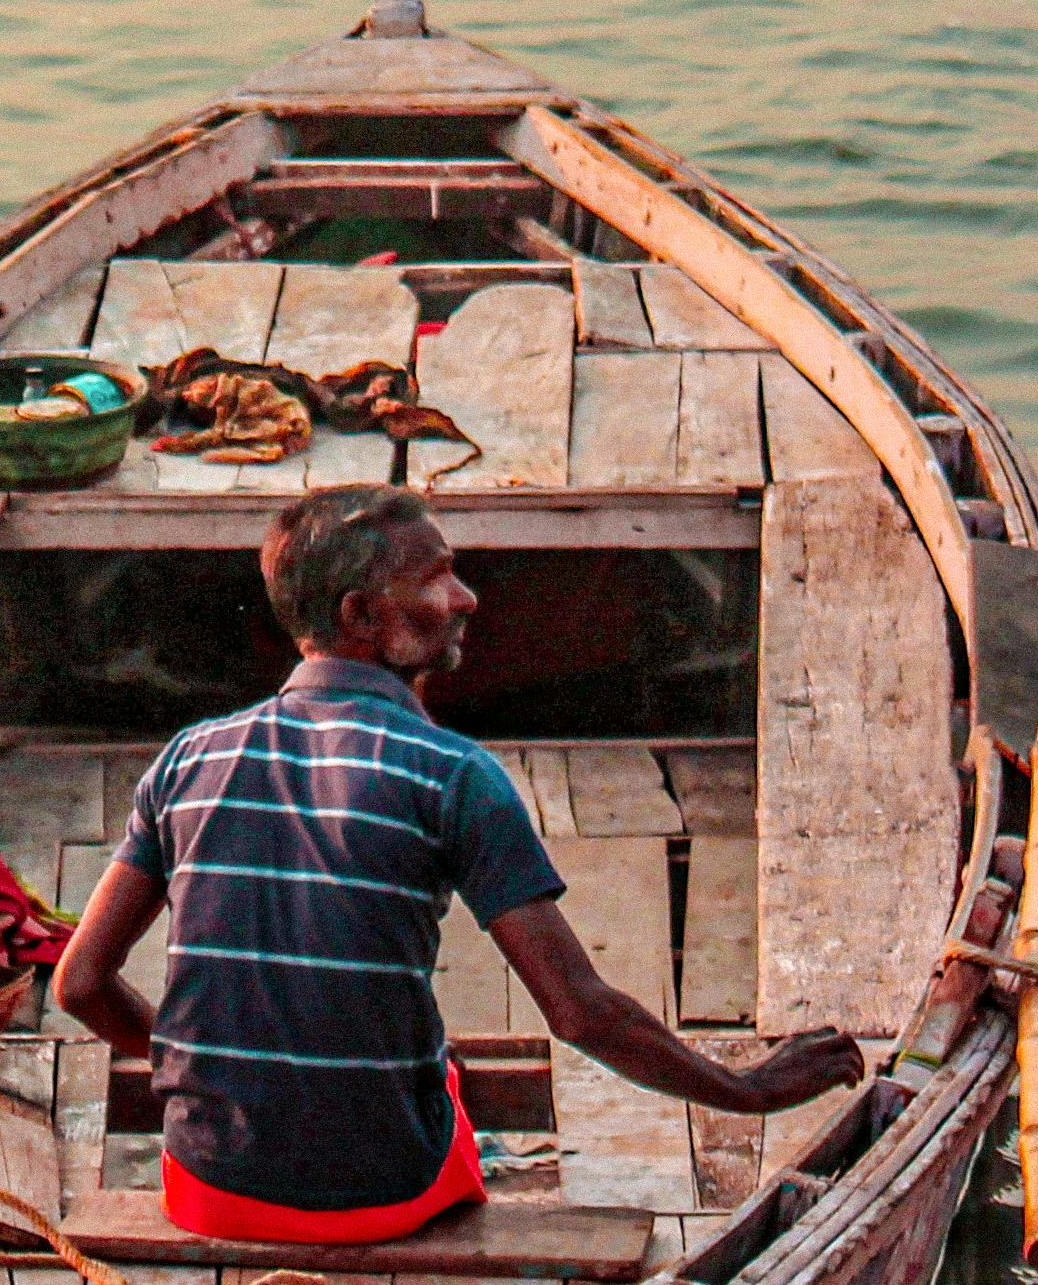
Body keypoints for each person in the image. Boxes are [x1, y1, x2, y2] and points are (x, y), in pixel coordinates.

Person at [46, 485, 865, 1244]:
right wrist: (749, 1089)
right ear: (362, 615)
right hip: (381, 1196)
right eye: (436, 577)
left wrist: (205, 1075)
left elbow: (79, 983)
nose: (466, 596)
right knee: (447, 1088)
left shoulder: (188, 758)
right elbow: (580, 1013)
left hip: (207, 1189)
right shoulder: (453, 774)